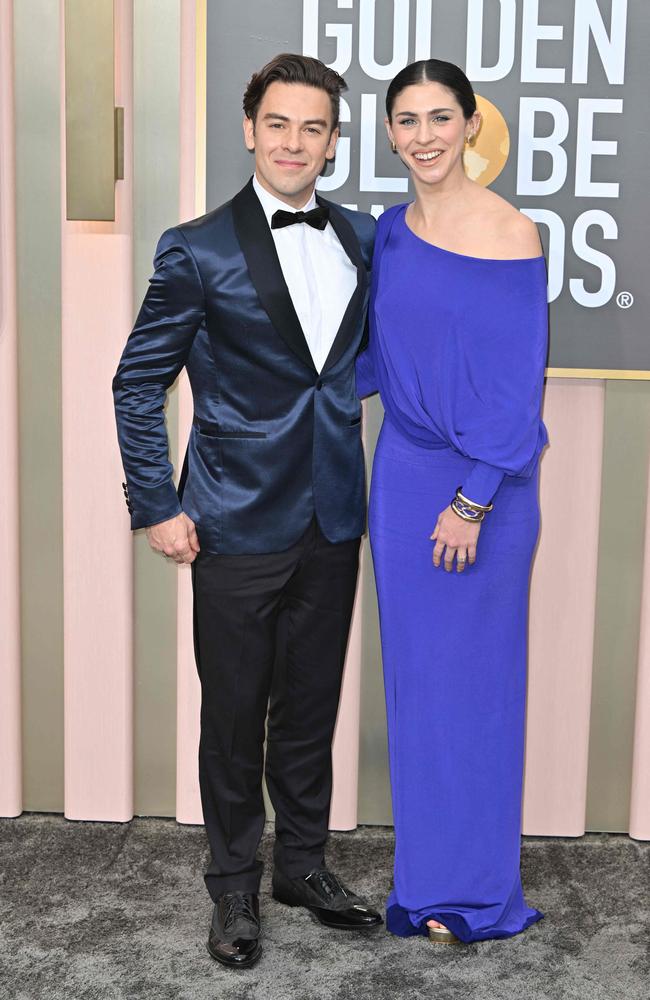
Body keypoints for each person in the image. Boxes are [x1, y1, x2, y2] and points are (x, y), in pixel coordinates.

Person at [113, 53, 382, 971]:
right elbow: (135, 381)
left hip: (334, 515)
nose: (295, 142)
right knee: (233, 714)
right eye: (279, 124)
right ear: (248, 129)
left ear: (334, 142)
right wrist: (156, 503)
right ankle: (233, 884)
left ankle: (301, 867)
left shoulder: (360, 236)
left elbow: (347, 369)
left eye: (314, 127)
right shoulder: (196, 247)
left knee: (309, 707)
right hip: (228, 518)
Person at [356, 59, 548, 944]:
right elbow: (375, 358)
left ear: (472, 126)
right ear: (390, 133)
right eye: (407, 119)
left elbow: (515, 393)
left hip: (483, 491)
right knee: (420, 691)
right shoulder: (391, 231)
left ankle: (477, 896)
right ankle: (428, 883)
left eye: (441, 117)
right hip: (401, 480)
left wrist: (470, 503)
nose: (424, 135)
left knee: (473, 690)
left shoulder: (510, 234)